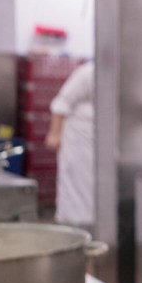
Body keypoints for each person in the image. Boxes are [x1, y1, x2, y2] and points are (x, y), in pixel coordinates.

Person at [46, 59, 95, 231]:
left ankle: (92, 225)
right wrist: (54, 134)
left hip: (97, 140)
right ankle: (72, 227)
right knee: (75, 184)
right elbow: (61, 104)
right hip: (77, 139)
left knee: (92, 186)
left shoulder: (115, 75)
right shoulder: (86, 73)